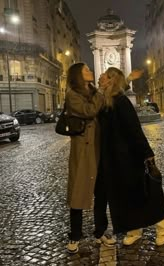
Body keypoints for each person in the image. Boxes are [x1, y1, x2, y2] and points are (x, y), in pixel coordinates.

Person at [94, 67, 164, 246]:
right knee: (125, 198)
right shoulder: (106, 101)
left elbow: (135, 130)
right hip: (113, 160)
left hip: (129, 158)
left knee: (144, 194)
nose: (100, 76)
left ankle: (163, 226)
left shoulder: (121, 102)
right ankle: (134, 230)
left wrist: (147, 154)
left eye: (104, 75)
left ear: (110, 80)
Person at [65, 62, 115, 253]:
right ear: (78, 75)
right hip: (83, 151)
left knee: (101, 193)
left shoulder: (94, 92)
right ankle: (75, 236)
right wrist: (101, 93)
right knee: (78, 192)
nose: (90, 72)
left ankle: (100, 232)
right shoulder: (73, 95)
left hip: (99, 148)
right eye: (86, 70)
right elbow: (88, 111)